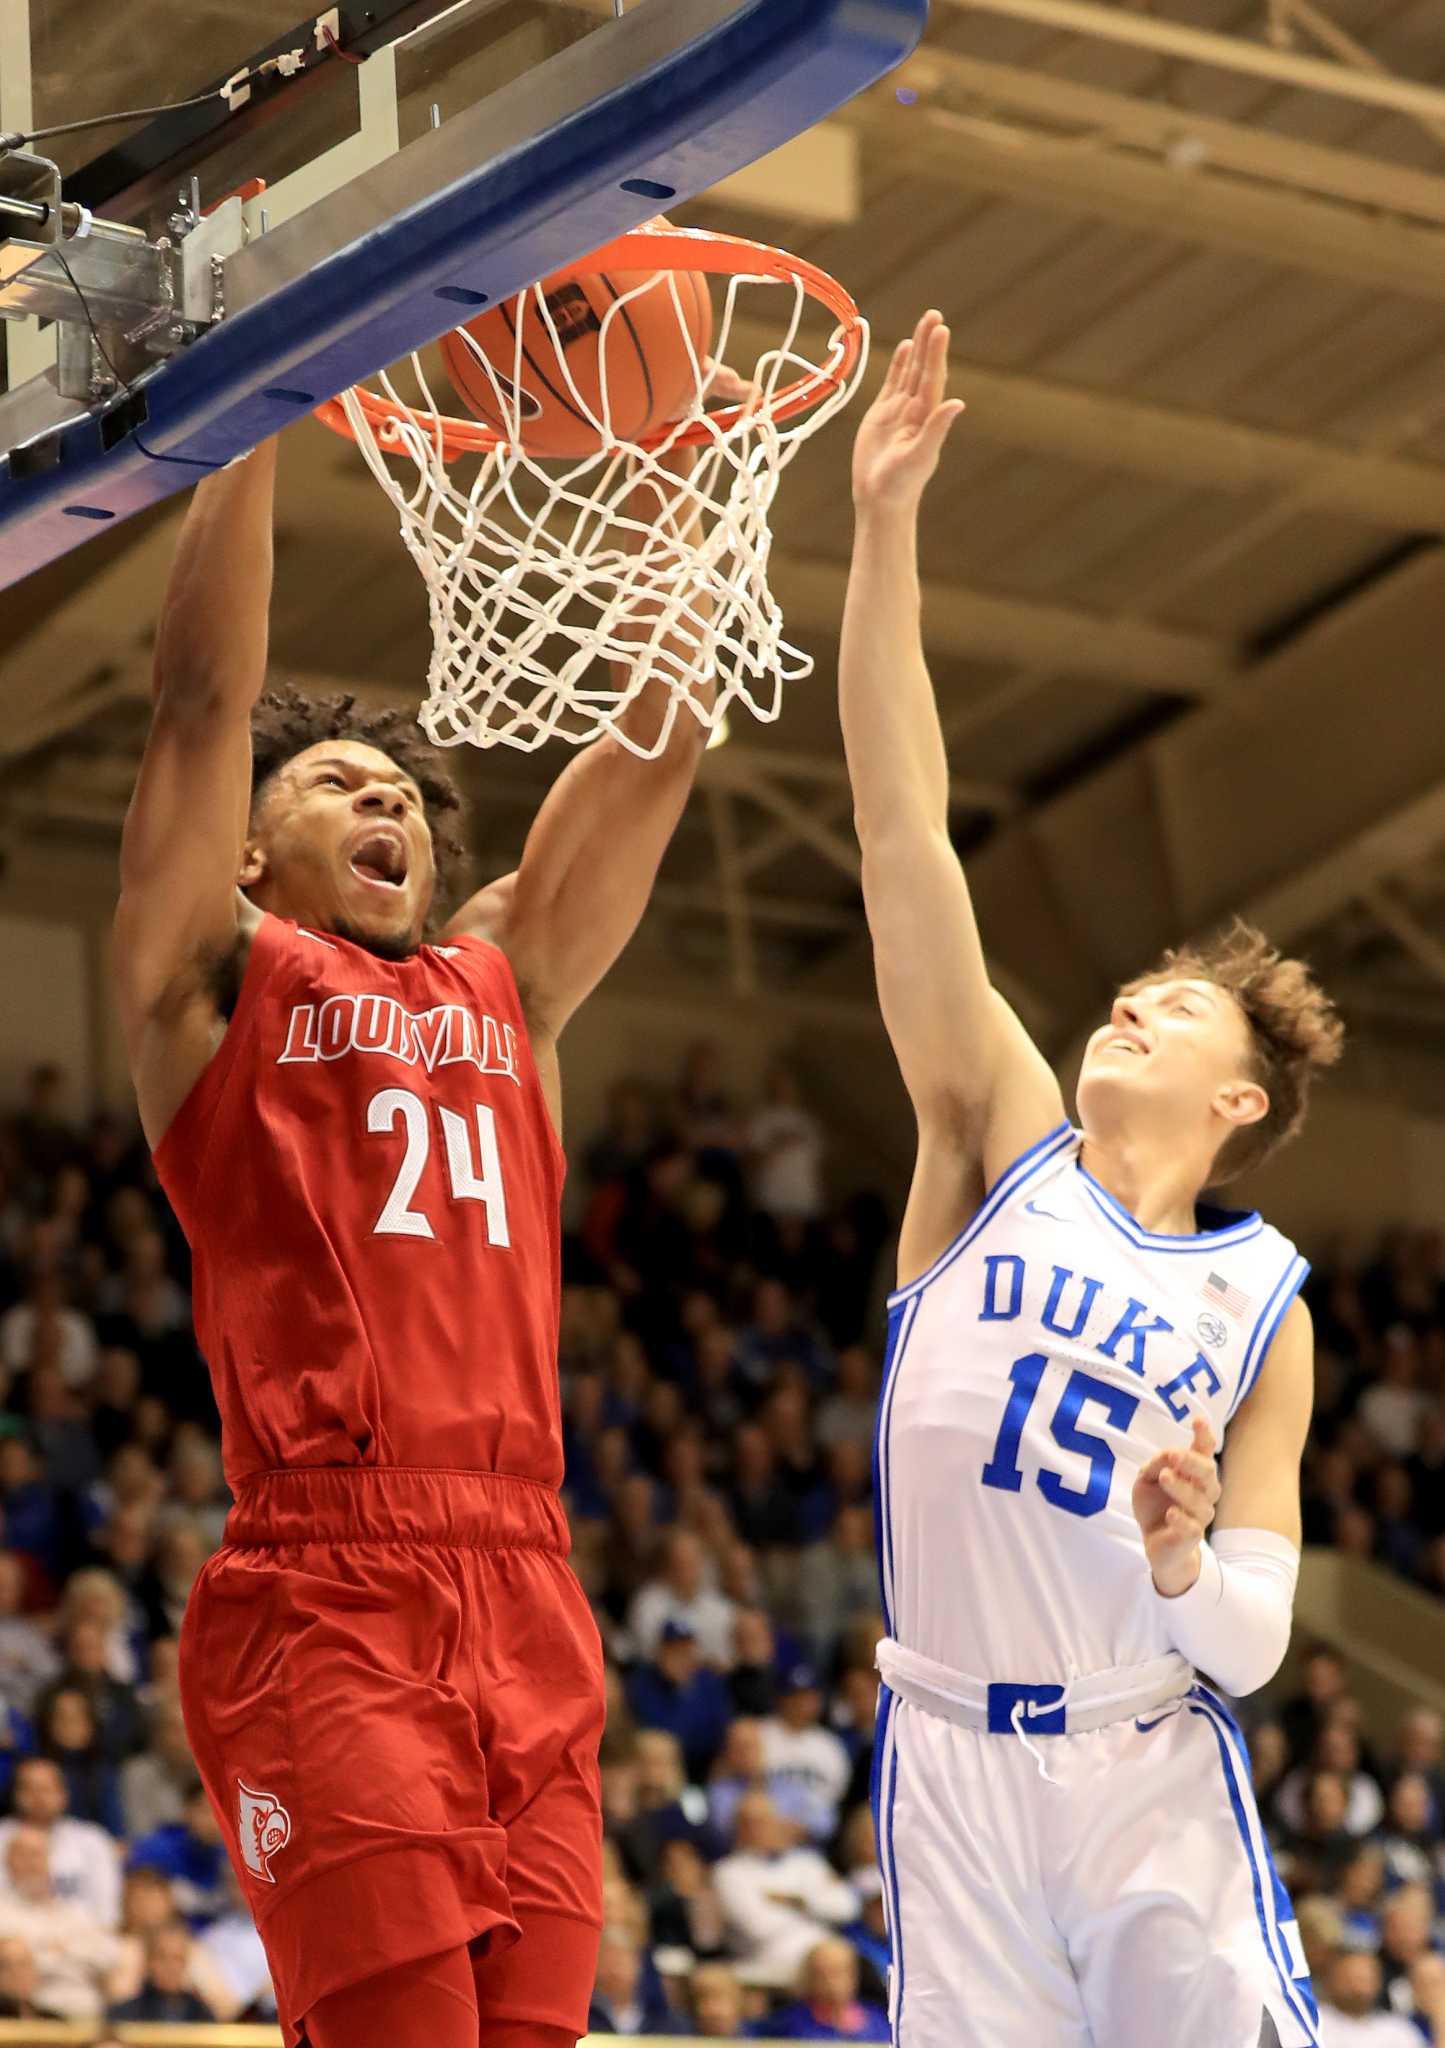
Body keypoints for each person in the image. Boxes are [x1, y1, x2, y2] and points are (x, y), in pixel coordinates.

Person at [112, 423, 730, 2048]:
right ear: (250, 851)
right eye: (334, 781)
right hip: (324, 1588)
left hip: (528, 1580)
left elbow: (660, 746)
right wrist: (256, 412)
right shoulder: (212, 981)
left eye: (401, 791)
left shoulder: (502, 982)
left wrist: (679, 508)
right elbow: (194, 706)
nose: (384, 792)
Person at [841, 310, 1345, 2048]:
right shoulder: (994, 1129)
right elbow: (903, 833)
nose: (1130, 997)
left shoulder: (1262, 1303)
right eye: (1129, 987)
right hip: (951, 1762)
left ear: (1239, 1095)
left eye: (1175, 1003)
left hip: (1142, 1758)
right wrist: (886, 525)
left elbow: (1259, 1642)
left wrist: (1192, 1557)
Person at [0, 1824, 122, 2019]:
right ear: (8, 1861)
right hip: (33, 2014)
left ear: (50, 1860)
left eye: (37, 1855)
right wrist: (72, 1952)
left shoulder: (76, 1913)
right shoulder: (3, 1911)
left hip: (87, 2011)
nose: (31, 1863)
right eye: (22, 1855)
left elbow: (110, 1955)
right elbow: (16, 1966)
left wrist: (56, 1950)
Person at [0, 1755, 122, 1927]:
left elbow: (108, 1912)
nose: (38, 1797)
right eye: (29, 1789)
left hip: (82, 1939)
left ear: (63, 1794)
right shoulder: (3, 1837)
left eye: (46, 1789)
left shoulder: (92, 1839)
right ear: (15, 1794)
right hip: (14, 1937)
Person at [768, 1937, 890, 2042]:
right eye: (822, 1974)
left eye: (838, 1972)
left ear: (854, 1975)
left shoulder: (878, 2019)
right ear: (810, 1978)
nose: (830, 1982)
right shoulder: (790, 2023)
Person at [107, 1919, 220, 2024]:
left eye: (177, 1958)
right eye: (162, 1957)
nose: (170, 1967)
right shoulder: (123, 2015)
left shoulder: (201, 2014)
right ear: (148, 1961)